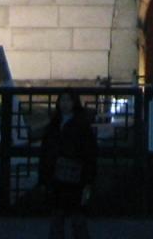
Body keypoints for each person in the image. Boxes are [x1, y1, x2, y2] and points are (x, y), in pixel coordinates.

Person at [39, 89, 98, 239]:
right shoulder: (54, 124)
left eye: (68, 100)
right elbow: (46, 151)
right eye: (62, 100)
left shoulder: (81, 125)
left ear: (74, 103)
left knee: (77, 218)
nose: (65, 104)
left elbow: (89, 153)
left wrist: (88, 179)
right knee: (57, 217)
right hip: (56, 176)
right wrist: (44, 176)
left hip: (75, 176)